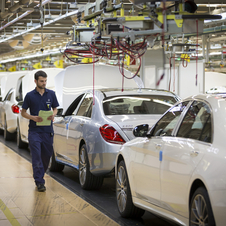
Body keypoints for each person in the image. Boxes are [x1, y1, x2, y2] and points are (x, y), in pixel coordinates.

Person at [21, 70, 59, 192]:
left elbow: (55, 109)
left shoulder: (51, 94)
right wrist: (33, 118)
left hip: (48, 131)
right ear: (35, 81)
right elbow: (23, 112)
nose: (44, 83)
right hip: (34, 132)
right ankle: (39, 182)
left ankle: (39, 177)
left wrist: (53, 115)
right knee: (36, 157)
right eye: (41, 81)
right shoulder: (29, 96)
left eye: (45, 81)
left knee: (46, 158)